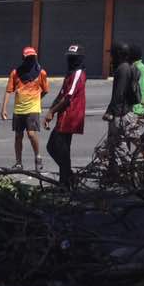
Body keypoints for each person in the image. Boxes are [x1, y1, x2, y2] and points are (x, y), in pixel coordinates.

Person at [44, 44, 87, 189]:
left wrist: (52, 111)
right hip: (64, 115)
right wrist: (51, 110)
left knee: (55, 147)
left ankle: (67, 179)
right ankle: (67, 179)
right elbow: (62, 93)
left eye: (73, 58)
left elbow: (68, 97)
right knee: (61, 149)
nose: (70, 60)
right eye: (69, 57)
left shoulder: (78, 74)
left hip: (71, 116)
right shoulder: (70, 73)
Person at [0, 46, 49, 171]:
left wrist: (37, 100)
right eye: (28, 58)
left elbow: (45, 90)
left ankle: (38, 157)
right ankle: (18, 162)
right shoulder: (16, 73)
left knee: (31, 134)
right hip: (19, 109)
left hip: (32, 108)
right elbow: (8, 91)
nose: (30, 60)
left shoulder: (41, 73)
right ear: (23, 58)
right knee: (18, 135)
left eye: (32, 58)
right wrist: (3, 109)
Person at [104, 42, 138, 173]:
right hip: (126, 111)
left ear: (118, 54)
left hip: (120, 114)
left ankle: (131, 173)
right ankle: (115, 174)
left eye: (112, 54)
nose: (111, 58)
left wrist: (110, 112)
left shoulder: (122, 69)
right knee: (114, 145)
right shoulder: (130, 67)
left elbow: (119, 94)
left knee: (118, 145)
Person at [131, 44, 144, 118]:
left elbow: (140, 88)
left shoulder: (140, 68)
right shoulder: (134, 67)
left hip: (136, 108)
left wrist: (139, 106)